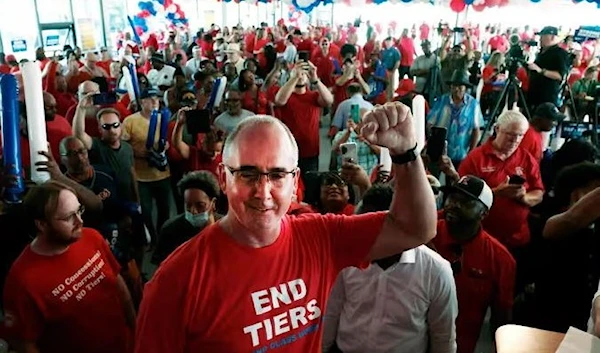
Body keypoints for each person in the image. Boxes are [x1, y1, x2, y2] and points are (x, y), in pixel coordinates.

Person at [134, 102, 437, 352]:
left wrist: (407, 155)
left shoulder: (321, 237)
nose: (263, 191)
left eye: (277, 175)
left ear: (295, 184)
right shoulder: (176, 281)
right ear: (224, 179)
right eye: (247, 174)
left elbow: (415, 228)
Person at [2, 181, 136, 353]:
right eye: (68, 217)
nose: (79, 221)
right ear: (41, 224)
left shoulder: (92, 237)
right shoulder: (22, 281)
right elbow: (23, 342)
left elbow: (118, 285)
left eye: (79, 211)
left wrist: (135, 327)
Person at [322, 184, 458, 353]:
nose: (364, 235)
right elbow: (331, 312)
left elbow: (443, 337)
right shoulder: (346, 259)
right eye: (361, 226)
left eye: (372, 228)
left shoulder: (436, 271)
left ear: (399, 226)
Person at [431, 175, 516, 353]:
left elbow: (501, 317)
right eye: (452, 198)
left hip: (460, 345)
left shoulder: (500, 259)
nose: (454, 205)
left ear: (483, 213)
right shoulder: (425, 235)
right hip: (413, 340)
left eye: (466, 202)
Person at [152, 171, 222, 265]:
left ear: (213, 203)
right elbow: (162, 269)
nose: (193, 211)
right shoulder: (170, 230)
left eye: (200, 205)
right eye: (188, 206)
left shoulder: (227, 230)